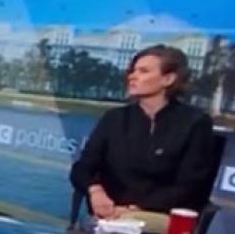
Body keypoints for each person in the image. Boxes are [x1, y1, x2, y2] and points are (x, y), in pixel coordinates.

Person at [70, 45, 217, 220]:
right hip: (110, 213)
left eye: (143, 71)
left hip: (159, 214)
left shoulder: (195, 123)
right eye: (132, 70)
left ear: (168, 79)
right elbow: (82, 169)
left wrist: (137, 209)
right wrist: (95, 190)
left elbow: (191, 186)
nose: (132, 76)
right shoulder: (114, 118)